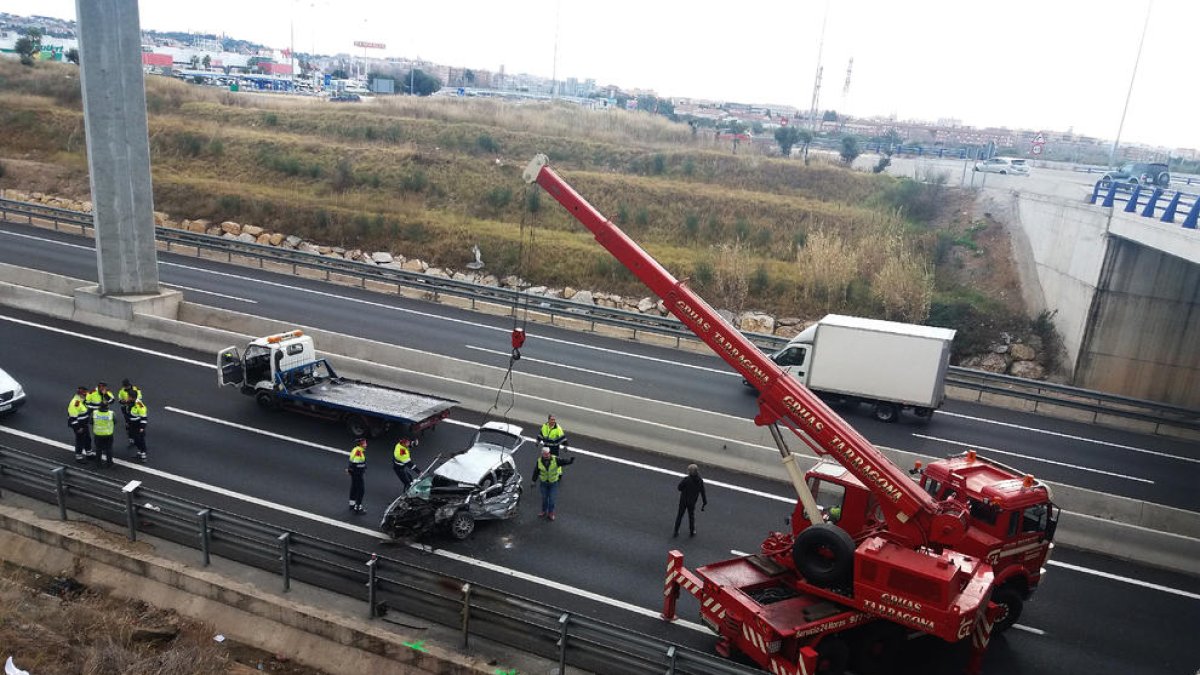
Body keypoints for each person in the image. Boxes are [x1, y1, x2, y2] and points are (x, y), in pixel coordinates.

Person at [532, 446, 574, 521]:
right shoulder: (539, 461)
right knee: (544, 498)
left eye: (547, 454)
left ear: (549, 453)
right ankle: (544, 511)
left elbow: (563, 462)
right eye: (545, 454)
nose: (546, 455)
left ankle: (551, 513)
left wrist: (570, 461)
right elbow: (536, 471)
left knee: (551, 500)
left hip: (553, 483)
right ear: (542, 454)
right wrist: (533, 481)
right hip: (544, 483)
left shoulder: (555, 459)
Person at [673, 464, 708, 537]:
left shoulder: (686, 479)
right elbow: (702, 492)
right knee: (691, 516)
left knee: (680, 515)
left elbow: (679, 488)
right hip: (692, 502)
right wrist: (704, 502)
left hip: (683, 501)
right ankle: (692, 531)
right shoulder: (700, 481)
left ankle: (676, 531)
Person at [67, 385, 92, 462]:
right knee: (80, 440)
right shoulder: (75, 403)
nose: (86, 396)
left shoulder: (81, 401)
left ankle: (89, 454)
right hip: (79, 426)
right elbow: (72, 418)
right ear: (81, 394)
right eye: (85, 394)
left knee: (87, 439)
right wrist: (78, 428)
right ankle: (79, 457)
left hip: (84, 424)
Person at [117, 379, 142, 446]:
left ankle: (137, 434)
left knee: (135, 422)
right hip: (125, 408)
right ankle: (131, 438)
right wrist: (124, 401)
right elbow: (119, 400)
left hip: (134, 407)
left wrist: (131, 401)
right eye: (125, 386)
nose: (126, 387)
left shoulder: (135, 389)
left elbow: (139, 397)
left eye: (127, 386)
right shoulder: (121, 391)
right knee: (128, 423)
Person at [92, 400, 116, 468]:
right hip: (108, 434)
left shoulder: (94, 413)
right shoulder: (111, 413)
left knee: (98, 449)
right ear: (107, 406)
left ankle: (98, 463)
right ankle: (109, 463)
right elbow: (115, 421)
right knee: (109, 449)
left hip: (98, 434)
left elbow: (91, 421)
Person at [347, 438, 367, 513]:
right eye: (364, 444)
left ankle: (352, 504)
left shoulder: (355, 449)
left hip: (353, 472)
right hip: (357, 474)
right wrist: (363, 467)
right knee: (361, 490)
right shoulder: (359, 452)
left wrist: (349, 470)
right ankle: (358, 507)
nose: (366, 445)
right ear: (361, 445)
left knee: (354, 488)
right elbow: (356, 463)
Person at [126, 398, 149, 462]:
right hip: (132, 424)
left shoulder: (139, 405)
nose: (127, 397)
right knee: (135, 439)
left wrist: (142, 427)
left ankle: (143, 454)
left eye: (129, 396)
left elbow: (144, 417)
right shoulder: (129, 403)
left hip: (138, 425)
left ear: (132, 397)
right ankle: (140, 452)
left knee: (139, 439)